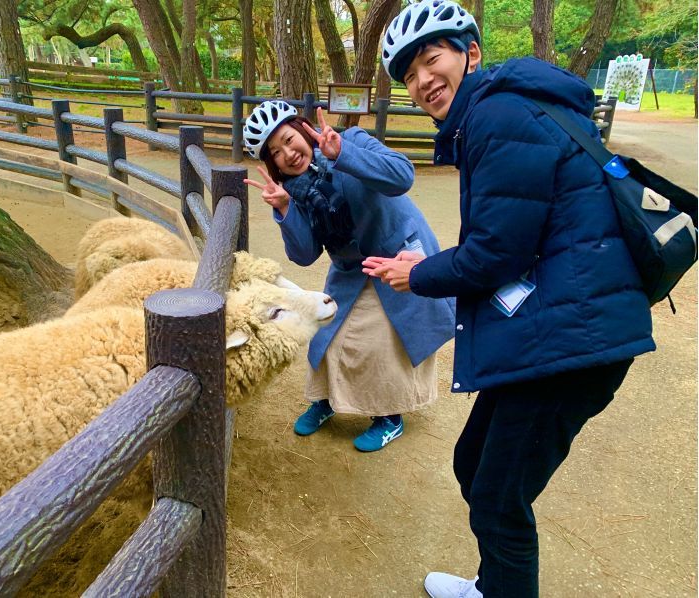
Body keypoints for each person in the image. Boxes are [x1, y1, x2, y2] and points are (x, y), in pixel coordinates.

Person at [363, 1, 656, 596]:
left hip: (575, 338)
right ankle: (492, 585)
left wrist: (417, 274)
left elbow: (496, 254)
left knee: (498, 499)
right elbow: (512, 237)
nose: (422, 81)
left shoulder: (496, 115)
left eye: (431, 58)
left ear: (470, 53)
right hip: (560, 323)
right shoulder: (495, 113)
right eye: (409, 74)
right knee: (475, 466)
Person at [242, 100, 455, 452]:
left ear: (301, 128)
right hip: (351, 268)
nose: (288, 154)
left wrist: (344, 153)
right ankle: (326, 401)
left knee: (383, 342)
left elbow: (402, 175)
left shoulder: (350, 140)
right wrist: (283, 209)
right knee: (329, 332)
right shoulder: (294, 193)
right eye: (275, 153)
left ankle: (389, 417)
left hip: (398, 256)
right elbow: (305, 254)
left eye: (287, 139)